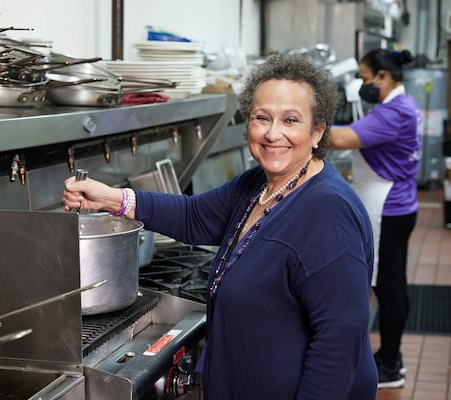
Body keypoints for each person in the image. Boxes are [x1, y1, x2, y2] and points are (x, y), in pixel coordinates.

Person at [63, 54, 377, 399]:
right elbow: (194, 216)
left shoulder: (327, 212)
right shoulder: (259, 184)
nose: (273, 133)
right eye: (262, 118)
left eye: (291, 120)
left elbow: (340, 338)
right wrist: (111, 199)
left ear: (317, 131)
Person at [328, 48, 421, 389]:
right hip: (397, 205)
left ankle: (390, 363)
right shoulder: (398, 106)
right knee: (393, 283)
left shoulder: (394, 112)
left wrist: (295, 122)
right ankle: (390, 358)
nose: (362, 85)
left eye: (365, 78)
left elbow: (339, 138)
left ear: (382, 77)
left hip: (388, 209)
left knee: (388, 287)